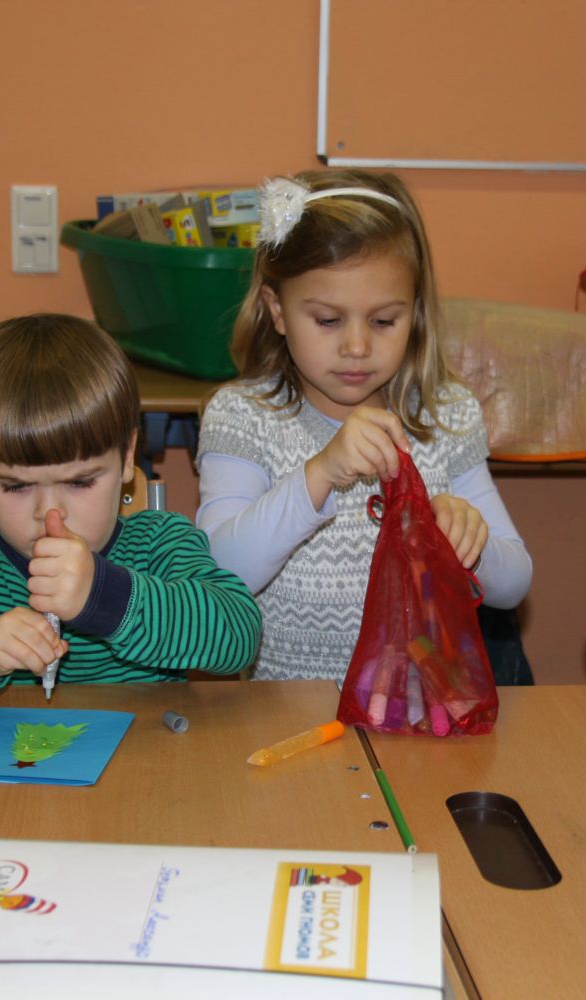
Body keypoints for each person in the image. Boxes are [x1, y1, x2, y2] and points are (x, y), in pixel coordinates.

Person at [195, 169, 532, 681]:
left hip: (421, 708)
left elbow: (515, 584)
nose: (357, 347)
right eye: (328, 320)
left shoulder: (444, 415)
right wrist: (319, 474)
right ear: (277, 310)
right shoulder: (243, 418)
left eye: (383, 321)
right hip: (284, 711)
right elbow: (218, 575)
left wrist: (472, 543)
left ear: (415, 313)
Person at [0, 313, 261, 707]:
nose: (49, 513)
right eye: (15, 486)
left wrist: (104, 597)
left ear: (127, 455)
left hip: (141, 763)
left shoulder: (158, 543)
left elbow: (239, 635)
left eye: (80, 482)